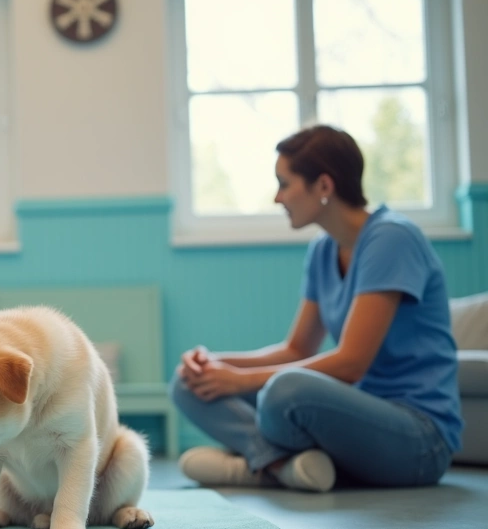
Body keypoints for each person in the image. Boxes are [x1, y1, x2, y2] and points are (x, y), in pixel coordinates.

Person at [172, 124, 462, 492]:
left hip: (419, 439)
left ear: (324, 186)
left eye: (284, 183)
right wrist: (215, 363)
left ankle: (255, 464)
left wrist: (240, 380)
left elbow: (351, 362)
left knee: (285, 392)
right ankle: (281, 465)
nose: (278, 198)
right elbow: (296, 349)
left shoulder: (392, 238)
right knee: (188, 383)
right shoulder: (324, 250)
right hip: (357, 417)